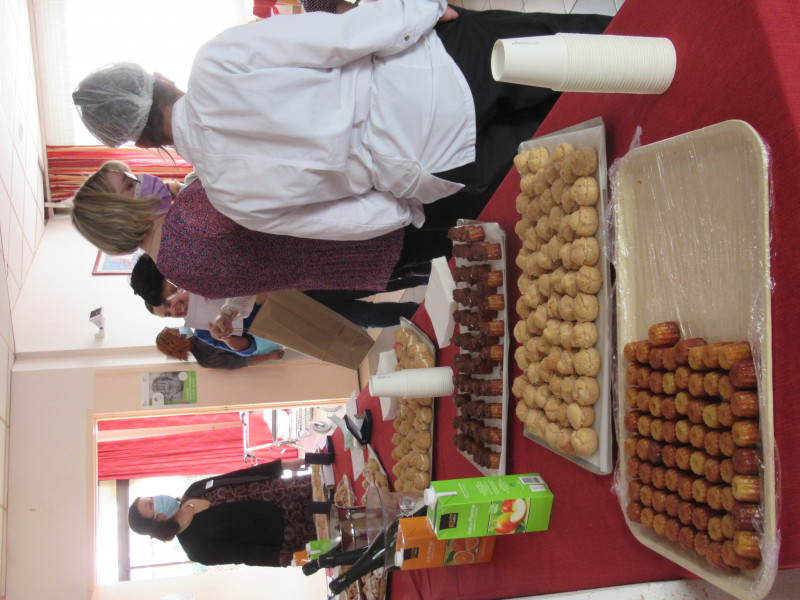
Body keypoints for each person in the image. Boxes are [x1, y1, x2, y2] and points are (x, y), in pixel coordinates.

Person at [72, 1, 611, 243]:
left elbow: (349, 223)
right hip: (434, 75)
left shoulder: (229, 200)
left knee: (590, 151)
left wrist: (411, 195)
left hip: (433, 165)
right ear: (157, 78)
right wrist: (418, 11)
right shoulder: (214, 63)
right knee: (601, 55)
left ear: (144, 142)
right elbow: (339, 38)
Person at [72, 161, 445, 299]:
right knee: (485, 214)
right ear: (120, 215)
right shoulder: (192, 212)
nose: (143, 179)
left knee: (475, 249)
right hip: (373, 225)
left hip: (361, 267)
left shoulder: (173, 269)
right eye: (130, 184)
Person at [130, 252, 422, 331]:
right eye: (168, 313)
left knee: (378, 277)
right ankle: (422, 319)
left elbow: (249, 270)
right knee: (366, 315)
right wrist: (228, 316)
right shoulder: (201, 317)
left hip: (303, 273)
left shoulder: (197, 258)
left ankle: (432, 271)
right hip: (292, 307)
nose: (175, 306)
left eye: (170, 297)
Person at [128, 458, 333, 567]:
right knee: (349, 517)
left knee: (343, 485)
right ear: (156, 521)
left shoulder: (192, 490)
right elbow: (248, 555)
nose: (157, 500)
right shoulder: (196, 548)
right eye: (150, 506)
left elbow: (239, 475)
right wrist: (308, 556)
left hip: (292, 488)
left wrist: (285, 465)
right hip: (295, 527)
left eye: (151, 498)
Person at [156, 327, 284, 370]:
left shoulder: (204, 360)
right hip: (260, 342)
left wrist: (269, 356)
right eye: (174, 330)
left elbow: (240, 363)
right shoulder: (204, 357)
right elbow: (240, 362)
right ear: (175, 340)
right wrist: (268, 356)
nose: (178, 328)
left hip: (259, 341)